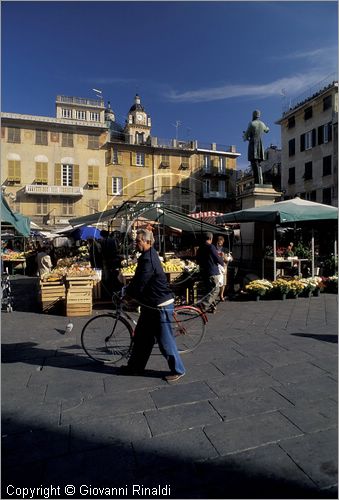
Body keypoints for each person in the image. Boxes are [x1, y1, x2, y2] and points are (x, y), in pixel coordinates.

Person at [121, 229, 185, 382]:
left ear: (147, 242)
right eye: (136, 241)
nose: (136, 243)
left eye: (138, 241)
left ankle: (178, 369)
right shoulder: (147, 255)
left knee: (165, 340)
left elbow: (140, 282)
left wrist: (127, 296)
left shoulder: (148, 259)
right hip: (150, 304)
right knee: (142, 338)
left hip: (160, 304)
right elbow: (138, 280)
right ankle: (135, 367)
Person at [196, 232, 225, 313]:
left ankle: (212, 306)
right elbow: (217, 258)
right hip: (212, 271)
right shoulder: (211, 247)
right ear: (211, 239)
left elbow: (197, 259)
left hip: (204, 271)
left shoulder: (200, 248)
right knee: (216, 290)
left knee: (209, 290)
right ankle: (204, 305)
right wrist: (222, 261)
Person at [243, 109, 269, 184]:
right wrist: (267, 128)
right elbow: (267, 130)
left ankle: (257, 181)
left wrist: (245, 136)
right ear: (259, 115)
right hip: (260, 145)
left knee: (254, 164)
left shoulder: (251, 124)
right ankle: (260, 181)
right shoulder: (262, 124)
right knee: (258, 164)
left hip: (253, 145)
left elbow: (246, 135)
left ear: (253, 115)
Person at [215, 235, 233, 302]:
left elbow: (231, 258)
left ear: (223, 242)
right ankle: (216, 294)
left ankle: (221, 295)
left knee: (224, 282)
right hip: (216, 267)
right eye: (219, 242)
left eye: (221, 242)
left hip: (224, 267)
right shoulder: (214, 249)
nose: (220, 243)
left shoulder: (225, 249)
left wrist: (226, 258)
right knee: (217, 281)